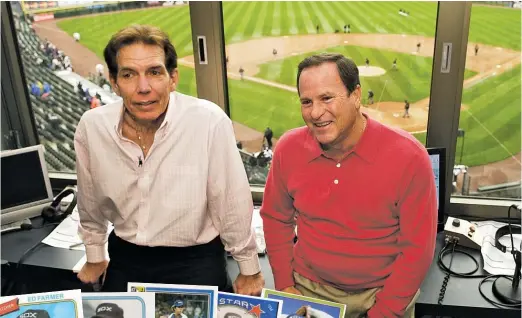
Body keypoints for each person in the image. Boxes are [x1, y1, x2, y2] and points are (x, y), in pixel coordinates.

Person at [75, 25, 264, 295]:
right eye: (129, 75)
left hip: (195, 261)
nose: (143, 88)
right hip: (127, 258)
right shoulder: (92, 127)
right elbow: (89, 200)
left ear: (172, 78)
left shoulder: (208, 121)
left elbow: (230, 201)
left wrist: (249, 269)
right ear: (114, 82)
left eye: (154, 72)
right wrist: (94, 255)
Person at [260, 53, 437, 318]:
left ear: (356, 96)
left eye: (327, 98)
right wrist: (285, 283)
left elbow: (417, 250)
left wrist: (384, 311)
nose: (316, 113)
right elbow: (276, 218)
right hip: (307, 288)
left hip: (380, 294)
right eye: (306, 102)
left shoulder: (410, 157)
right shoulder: (288, 149)